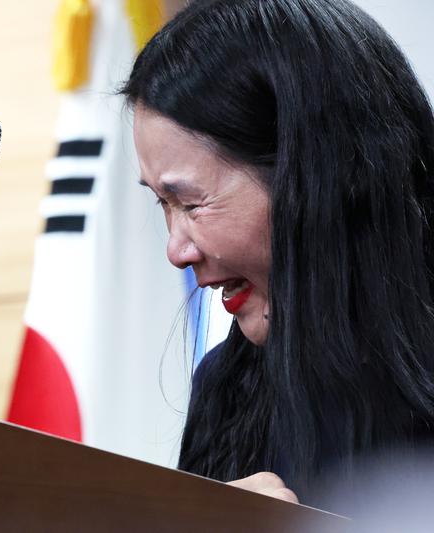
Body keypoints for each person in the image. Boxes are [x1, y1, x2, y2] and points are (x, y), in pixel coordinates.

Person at [122, 0, 434, 511]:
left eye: (193, 202)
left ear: (319, 179)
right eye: (163, 203)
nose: (176, 250)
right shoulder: (225, 392)